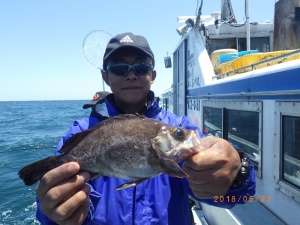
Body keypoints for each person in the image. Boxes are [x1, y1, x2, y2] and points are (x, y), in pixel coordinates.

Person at [35, 32, 255, 225]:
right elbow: (54, 208)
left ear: (153, 75)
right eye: (120, 68)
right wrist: (55, 213)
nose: (131, 74)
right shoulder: (78, 133)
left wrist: (238, 172)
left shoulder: (178, 128)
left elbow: (230, 197)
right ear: (106, 77)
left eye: (141, 67)